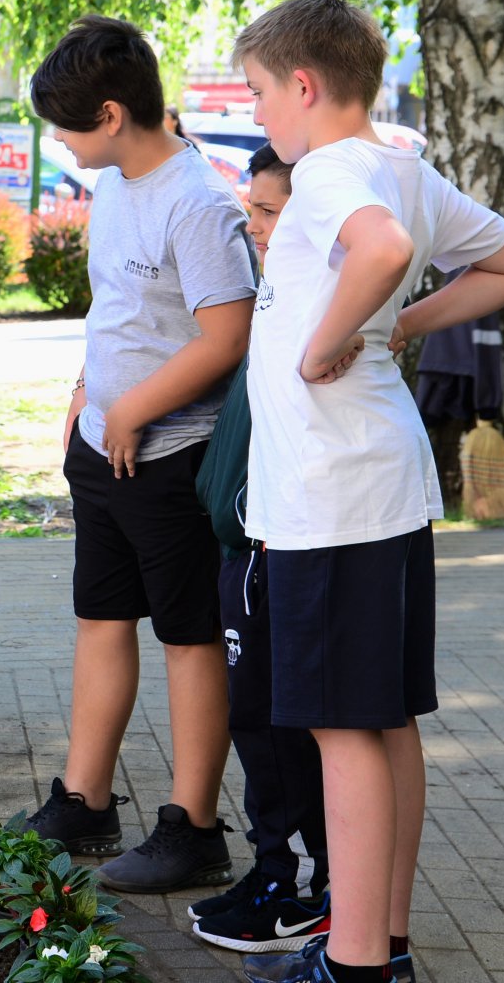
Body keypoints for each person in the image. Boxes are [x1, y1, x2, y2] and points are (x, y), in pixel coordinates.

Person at [234, 0, 504, 983]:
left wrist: (330, 340)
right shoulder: (399, 166)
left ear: (305, 86)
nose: (260, 115)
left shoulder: (328, 172)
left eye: (258, 92)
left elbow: (383, 254)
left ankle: (356, 961)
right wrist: (403, 327)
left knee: (340, 725)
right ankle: (384, 942)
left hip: (332, 491)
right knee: (381, 717)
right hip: (379, 481)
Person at [26, 16, 251, 895]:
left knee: (190, 639)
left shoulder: (198, 202)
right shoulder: (117, 179)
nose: (61, 141)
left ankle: (194, 825)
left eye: (68, 124)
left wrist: (137, 411)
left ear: (112, 114)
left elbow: (226, 335)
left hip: (171, 458)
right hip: (106, 445)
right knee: (100, 618)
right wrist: (92, 396)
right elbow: (119, 308)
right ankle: (85, 799)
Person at [189, 144, 333, 955]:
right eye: (252, 209)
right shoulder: (274, 290)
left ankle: (298, 885)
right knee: (255, 718)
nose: (254, 226)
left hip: (279, 543)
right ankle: (275, 868)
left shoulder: (321, 298)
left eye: (268, 211)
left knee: (281, 724)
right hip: (241, 541)